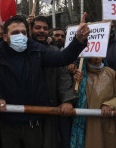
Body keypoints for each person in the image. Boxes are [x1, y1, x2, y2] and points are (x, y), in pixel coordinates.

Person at [0, 14, 90, 148]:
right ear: (5, 37)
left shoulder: (36, 50)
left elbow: (62, 58)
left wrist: (78, 40)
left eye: (23, 32)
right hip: (8, 124)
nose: (20, 36)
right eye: (15, 33)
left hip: (33, 123)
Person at [30, 16, 77, 148]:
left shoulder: (54, 52)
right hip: (27, 109)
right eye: (37, 27)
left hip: (51, 107)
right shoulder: (23, 51)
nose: (41, 31)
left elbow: (64, 77)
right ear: (31, 29)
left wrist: (67, 101)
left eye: (45, 28)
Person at [71, 58, 116, 148]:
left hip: (107, 124)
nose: (96, 58)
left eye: (99, 55)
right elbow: (74, 98)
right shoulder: (80, 74)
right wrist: (76, 83)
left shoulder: (112, 73)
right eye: (93, 55)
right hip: (87, 125)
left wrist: (110, 104)